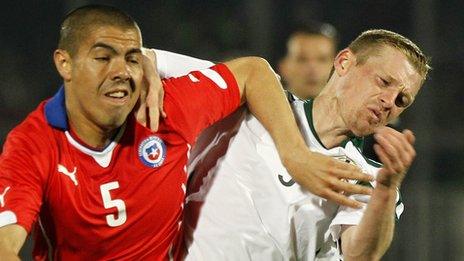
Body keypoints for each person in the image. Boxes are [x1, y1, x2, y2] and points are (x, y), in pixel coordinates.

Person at [0, 5, 372, 260]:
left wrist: (296, 155)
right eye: (102, 58)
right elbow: (6, 241)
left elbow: (253, 72)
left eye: (131, 58)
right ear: (64, 63)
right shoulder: (32, 145)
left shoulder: (166, 108)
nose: (121, 71)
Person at [182, 29, 430, 260]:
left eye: (402, 100)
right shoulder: (256, 101)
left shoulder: (370, 177)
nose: (389, 101)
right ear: (344, 62)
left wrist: (386, 190)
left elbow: (359, 255)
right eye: (384, 82)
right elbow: (153, 64)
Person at [278, 22, 338, 100]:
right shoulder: (261, 111)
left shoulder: (354, 110)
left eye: (322, 59)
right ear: (283, 67)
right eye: (302, 59)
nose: (312, 69)